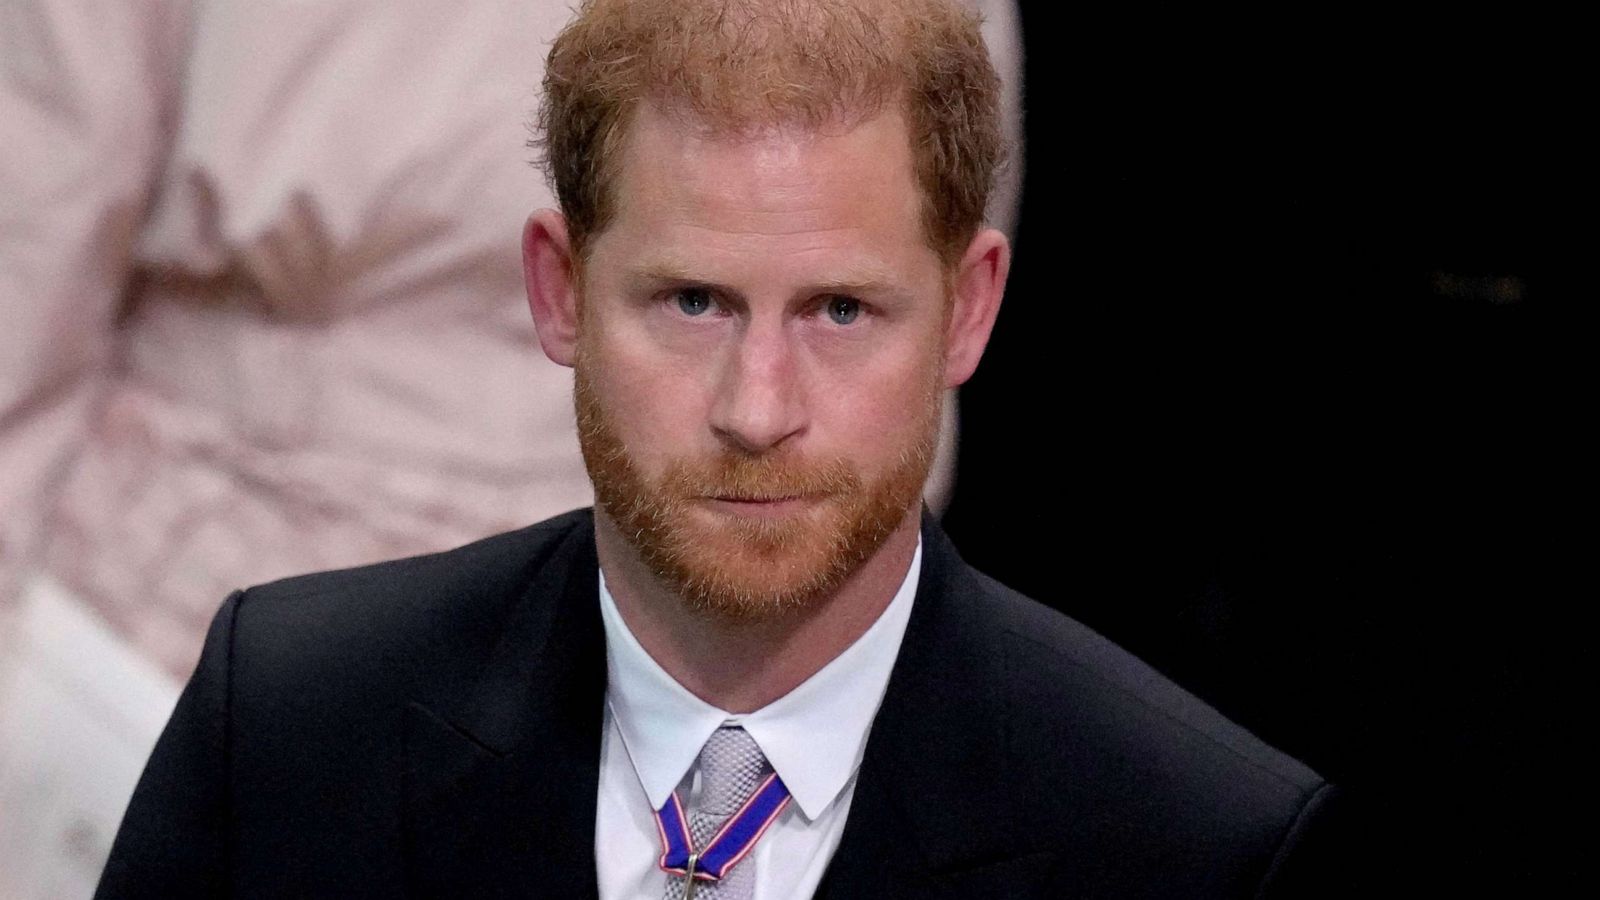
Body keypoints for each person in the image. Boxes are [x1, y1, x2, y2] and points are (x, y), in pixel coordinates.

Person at [96, 1, 1336, 897]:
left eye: (840, 311)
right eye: (692, 301)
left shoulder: (1192, 846)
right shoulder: (287, 731)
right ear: (559, 289)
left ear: (968, 309)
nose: (757, 408)